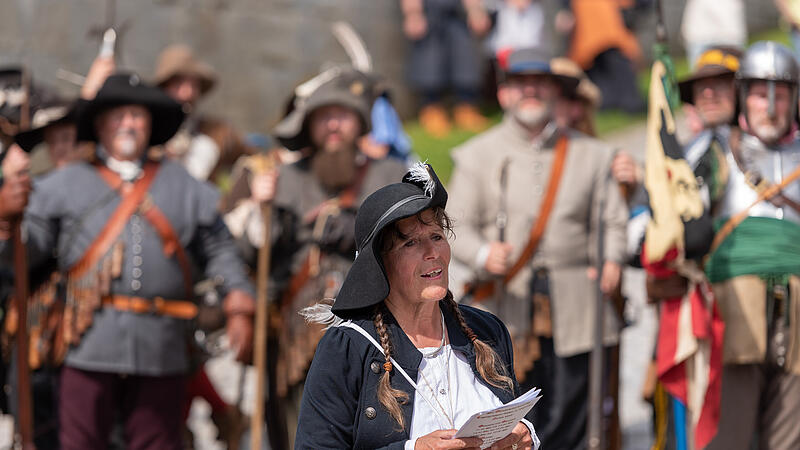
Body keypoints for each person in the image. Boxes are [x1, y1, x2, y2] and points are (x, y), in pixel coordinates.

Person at [0, 64, 256, 449]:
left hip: (161, 346)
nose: (128, 124)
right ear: (99, 124)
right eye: (118, 115)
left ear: (151, 124)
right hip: (86, 344)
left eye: (137, 115)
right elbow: (22, 254)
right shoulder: (63, 184)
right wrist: (6, 221)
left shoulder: (185, 185)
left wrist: (238, 299)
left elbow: (219, 248)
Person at [447, 46, 628, 449]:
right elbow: (454, 226)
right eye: (520, 83)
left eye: (540, 83)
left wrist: (612, 258)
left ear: (554, 92)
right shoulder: (476, 156)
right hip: (505, 305)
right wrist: (483, 254)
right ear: (503, 94)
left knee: (574, 415)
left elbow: (615, 221)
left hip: (578, 305)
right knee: (509, 417)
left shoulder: (593, 155)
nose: (530, 91)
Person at [295, 163, 539, 449]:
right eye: (410, 243)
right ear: (379, 265)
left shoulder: (486, 331)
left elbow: (513, 416)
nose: (432, 252)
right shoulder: (347, 348)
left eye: (436, 236)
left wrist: (524, 435)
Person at [225, 67, 407, 449]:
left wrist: (363, 229)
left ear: (360, 122)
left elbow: (412, 244)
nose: (333, 125)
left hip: (376, 329)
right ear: (309, 126)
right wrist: (262, 208)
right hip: (298, 332)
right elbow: (252, 255)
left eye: (342, 115)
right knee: (304, 432)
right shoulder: (285, 178)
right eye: (324, 117)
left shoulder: (390, 173)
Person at [651, 41, 800, 450]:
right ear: (743, 96)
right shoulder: (713, 150)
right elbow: (666, 216)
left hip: (798, 310)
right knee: (728, 431)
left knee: (792, 431)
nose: (770, 106)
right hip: (733, 308)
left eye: (781, 95)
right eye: (759, 94)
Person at [154, 44, 249, 181]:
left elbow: (254, 158)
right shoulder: (146, 132)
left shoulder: (218, 132)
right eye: (178, 84)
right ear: (163, 87)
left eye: (194, 85)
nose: (187, 93)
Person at [401, 0, 491, 137]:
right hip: (428, 15)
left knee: (465, 59)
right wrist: (413, 13)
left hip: (458, 15)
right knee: (428, 62)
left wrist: (475, 10)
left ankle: (466, 107)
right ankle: (432, 109)